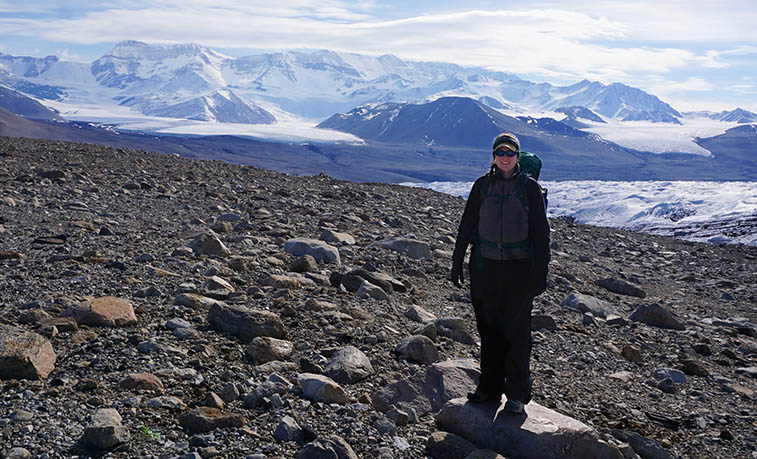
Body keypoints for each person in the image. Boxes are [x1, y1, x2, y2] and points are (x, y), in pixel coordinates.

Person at [450, 132, 550, 414]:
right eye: (500, 153)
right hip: (485, 269)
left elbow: (542, 235)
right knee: (489, 330)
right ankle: (489, 388)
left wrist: (540, 272)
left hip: (519, 271)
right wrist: (457, 260)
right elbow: (467, 224)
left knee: (516, 333)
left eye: (510, 153)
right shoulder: (482, 186)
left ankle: (517, 394)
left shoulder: (528, 188)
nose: (505, 158)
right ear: (494, 157)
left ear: (517, 157)